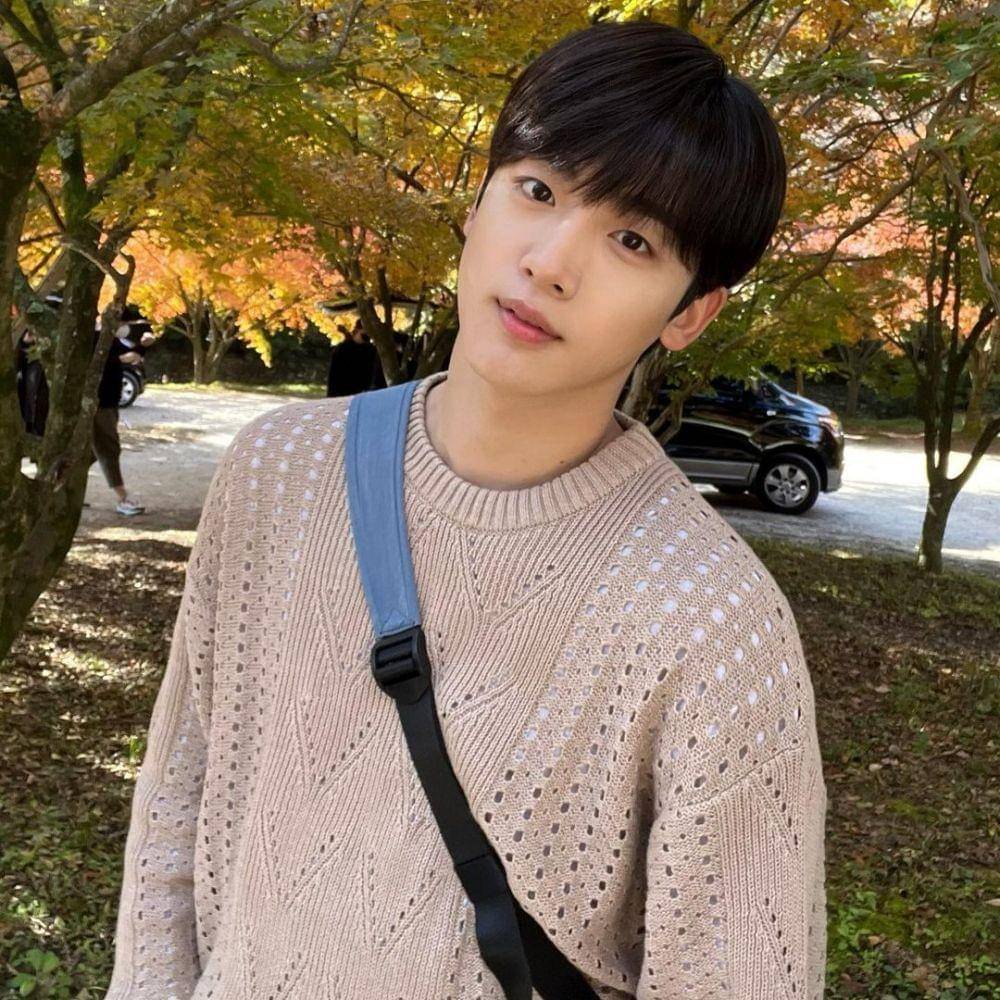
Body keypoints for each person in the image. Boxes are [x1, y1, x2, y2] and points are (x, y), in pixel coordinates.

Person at [107, 21, 826, 1000]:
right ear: (475, 202)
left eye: (631, 239)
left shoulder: (710, 623)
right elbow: (176, 817)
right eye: (537, 190)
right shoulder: (275, 473)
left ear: (690, 312)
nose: (551, 261)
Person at [90, 311, 147, 516]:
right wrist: (124, 357)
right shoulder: (95, 340)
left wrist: (141, 347)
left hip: (108, 403)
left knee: (88, 453)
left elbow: (129, 352)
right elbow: (110, 361)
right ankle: (123, 498)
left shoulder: (110, 340)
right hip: (100, 404)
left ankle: (67, 493)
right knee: (108, 449)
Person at [325, 317, 385, 396]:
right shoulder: (342, 349)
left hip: (363, 394)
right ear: (357, 330)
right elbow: (333, 376)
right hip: (343, 392)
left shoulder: (372, 351)